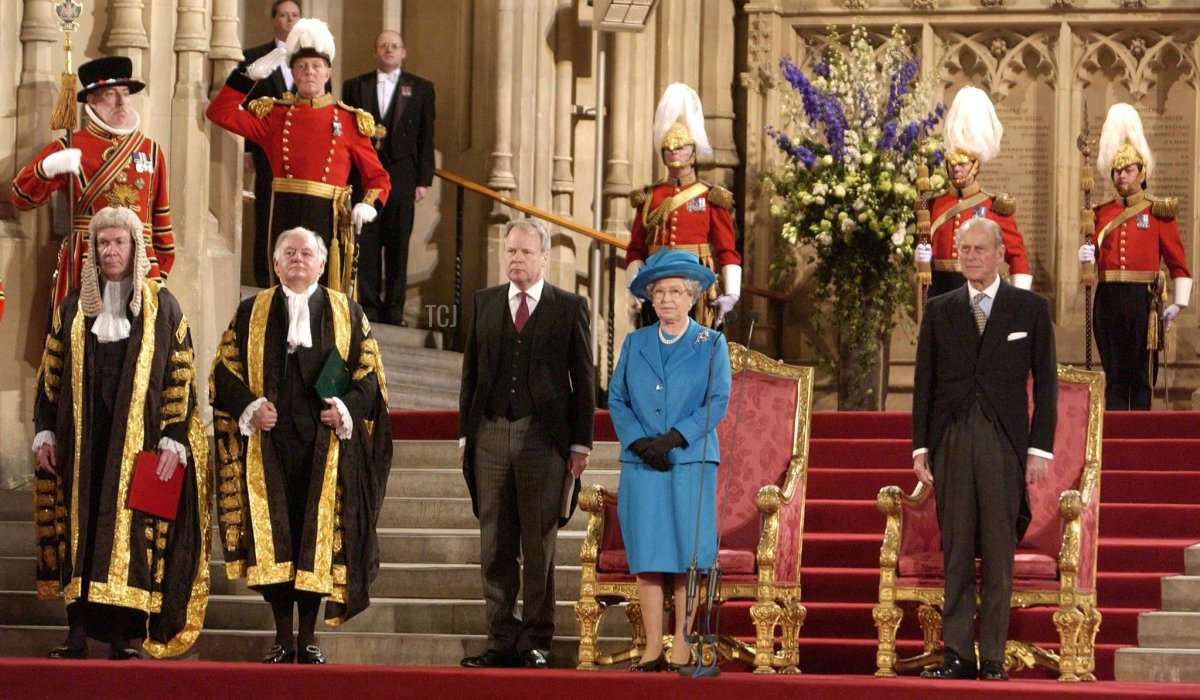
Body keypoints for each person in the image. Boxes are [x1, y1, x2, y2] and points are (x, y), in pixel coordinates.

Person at [32, 206, 210, 660]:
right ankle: (76, 633)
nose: (111, 251)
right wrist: (45, 431)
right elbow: (50, 375)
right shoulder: (73, 306)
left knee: (130, 533)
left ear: (136, 248)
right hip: (82, 439)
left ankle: (121, 637)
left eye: (119, 243)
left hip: (141, 441)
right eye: (103, 244)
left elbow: (180, 373)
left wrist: (173, 434)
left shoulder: (163, 307)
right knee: (81, 527)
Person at [210, 226, 392, 664]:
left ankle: (307, 638)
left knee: (314, 541)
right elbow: (223, 370)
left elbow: (370, 376)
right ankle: (281, 636)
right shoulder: (251, 311)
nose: (297, 259)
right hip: (269, 445)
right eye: (288, 253)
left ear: (322, 264)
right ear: (275, 264)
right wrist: (250, 406)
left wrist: (346, 408)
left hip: (323, 446)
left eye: (305, 253)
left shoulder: (348, 312)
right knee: (276, 541)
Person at [912, 217, 1057, 681]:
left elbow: (1048, 386)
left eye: (978, 249)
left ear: (999, 254)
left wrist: (1040, 450)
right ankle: (956, 652)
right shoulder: (939, 309)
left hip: (1003, 441)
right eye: (964, 249)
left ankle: (992, 655)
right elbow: (924, 386)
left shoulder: (1030, 308)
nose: (969, 257)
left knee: (998, 548)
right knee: (956, 547)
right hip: (952, 437)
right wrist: (920, 448)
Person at [458, 218, 595, 669]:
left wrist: (580, 443)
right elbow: (471, 375)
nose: (515, 259)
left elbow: (585, 381)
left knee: (538, 544)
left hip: (544, 438)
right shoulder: (484, 302)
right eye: (510, 251)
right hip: (492, 432)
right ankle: (500, 638)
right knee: (495, 542)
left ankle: (536, 639)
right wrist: (467, 433)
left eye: (524, 252)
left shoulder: (569, 306)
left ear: (544, 257)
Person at [607, 248, 731, 672]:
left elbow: (718, 401)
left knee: (685, 558)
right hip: (642, 464)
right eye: (659, 292)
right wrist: (640, 442)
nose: (667, 300)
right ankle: (651, 649)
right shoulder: (634, 341)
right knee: (648, 555)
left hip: (691, 462)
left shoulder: (711, 342)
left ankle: (681, 645)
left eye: (676, 291)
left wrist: (674, 439)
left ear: (692, 295)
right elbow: (616, 397)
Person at [207, 18, 391, 294]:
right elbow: (219, 113)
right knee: (282, 295)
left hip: (327, 221)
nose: (309, 72)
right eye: (302, 67)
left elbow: (378, 178)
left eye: (316, 66)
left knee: (324, 300)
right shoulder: (276, 116)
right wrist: (247, 78)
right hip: (284, 212)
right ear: (292, 72)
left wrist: (370, 205)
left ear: (327, 74)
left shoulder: (348, 121)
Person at [12, 56, 175, 309]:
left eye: (125, 93)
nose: (122, 102)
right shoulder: (69, 146)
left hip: (140, 265)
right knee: (80, 341)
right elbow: (20, 198)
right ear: (92, 101)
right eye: (111, 94)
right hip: (86, 261)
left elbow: (161, 221)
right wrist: (45, 169)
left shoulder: (150, 150)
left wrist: (159, 273)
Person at [1079, 103, 1192, 410]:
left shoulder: (1158, 212)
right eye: (1117, 171)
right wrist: (1087, 256)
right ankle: (1113, 439)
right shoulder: (1099, 214)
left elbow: (1177, 262)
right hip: (1108, 298)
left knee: (1141, 378)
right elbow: (1094, 261)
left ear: (1142, 172)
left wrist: (1179, 302)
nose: (1122, 176)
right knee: (1114, 377)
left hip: (1142, 300)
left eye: (1128, 170)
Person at [627, 83, 741, 328]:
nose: (674, 153)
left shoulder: (711, 196)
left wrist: (732, 292)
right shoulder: (649, 197)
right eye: (669, 148)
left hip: (696, 286)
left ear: (693, 150)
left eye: (681, 148)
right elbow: (636, 248)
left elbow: (726, 249)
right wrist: (634, 284)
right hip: (655, 284)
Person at [341, 31, 436, 326]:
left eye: (395, 46)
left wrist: (423, 180)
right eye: (384, 46)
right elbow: (345, 134)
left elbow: (426, 136)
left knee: (398, 243)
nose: (389, 50)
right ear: (375, 51)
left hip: (403, 176)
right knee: (366, 241)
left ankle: (394, 310)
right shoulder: (355, 86)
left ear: (403, 52)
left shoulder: (421, 88)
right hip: (364, 175)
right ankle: (367, 306)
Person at [916, 87, 1031, 298]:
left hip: (980, 289)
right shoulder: (934, 206)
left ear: (975, 165)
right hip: (940, 291)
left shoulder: (994, 207)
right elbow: (924, 246)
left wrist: (1020, 302)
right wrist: (920, 256)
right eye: (952, 163)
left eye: (963, 163)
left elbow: (1018, 256)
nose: (956, 168)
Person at [235, 0, 300, 287]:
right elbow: (244, 105)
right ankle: (264, 279)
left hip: (300, 153)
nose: (289, 20)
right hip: (264, 150)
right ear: (273, 19)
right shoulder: (255, 56)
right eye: (284, 15)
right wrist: (248, 149)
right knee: (265, 217)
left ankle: (294, 277)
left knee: (296, 217)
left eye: (294, 16)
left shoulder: (310, 58)